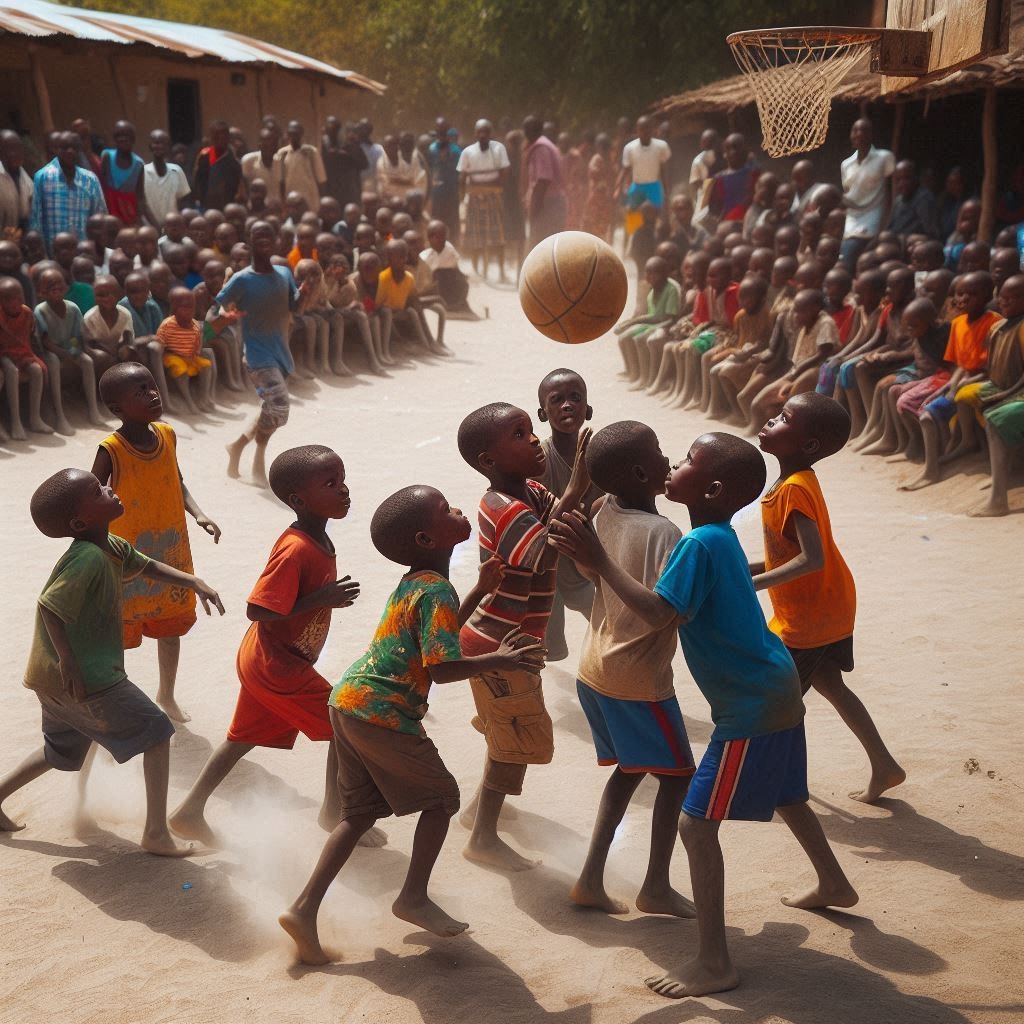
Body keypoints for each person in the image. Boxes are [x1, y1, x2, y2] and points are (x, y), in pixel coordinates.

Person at [550, 431, 857, 999]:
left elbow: (658, 612)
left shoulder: (696, 545)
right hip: (773, 684)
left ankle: (715, 962)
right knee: (787, 794)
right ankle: (834, 882)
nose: (674, 462)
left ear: (711, 488)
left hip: (751, 705)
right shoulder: (714, 538)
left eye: (687, 459)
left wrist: (597, 560)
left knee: (695, 824)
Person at [279, 484, 545, 965]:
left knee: (357, 815)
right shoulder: (435, 588)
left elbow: (434, 643)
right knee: (441, 799)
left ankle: (303, 909)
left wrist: (480, 591)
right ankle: (413, 897)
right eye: (446, 509)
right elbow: (442, 666)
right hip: (381, 712)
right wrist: (499, 659)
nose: (459, 509)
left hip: (348, 702)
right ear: (426, 539)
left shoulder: (418, 583)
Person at [0, 467, 222, 854]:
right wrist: (69, 661)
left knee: (61, 751)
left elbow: (145, 565)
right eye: (98, 491)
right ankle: (156, 833)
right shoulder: (86, 557)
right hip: (84, 677)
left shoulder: (109, 546)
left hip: (50, 678)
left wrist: (193, 581)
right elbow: (49, 606)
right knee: (156, 731)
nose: (108, 488)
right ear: (79, 521)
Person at [169, 445, 362, 848]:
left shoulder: (316, 537)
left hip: (266, 657)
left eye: (342, 480)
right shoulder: (296, 549)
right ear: (298, 500)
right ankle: (334, 812)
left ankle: (188, 812)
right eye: (331, 484)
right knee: (347, 723)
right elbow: (258, 609)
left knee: (241, 738)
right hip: (276, 663)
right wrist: (320, 599)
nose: (344, 490)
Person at [560, 421, 696, 918]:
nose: (669, 458)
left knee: (631, 769)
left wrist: (577, 491)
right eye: (662, 453)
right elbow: (662, 611)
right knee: (679, 777)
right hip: (636, 679)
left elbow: (584, 567)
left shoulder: (603, 508)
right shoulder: (664, 532)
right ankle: (656, 885)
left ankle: (591, 877)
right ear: (643, 472)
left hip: (596, 666)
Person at [457, 402, 590, 871]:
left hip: (512, 640)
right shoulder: (502, 506)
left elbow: (569, 523)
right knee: (516, 742)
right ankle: (483, 838)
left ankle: (478, 814)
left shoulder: (532, 489)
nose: (534, 440)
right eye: (519, 434)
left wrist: (581, 490)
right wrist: (575, 486)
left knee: (509, 733)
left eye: (531, 431)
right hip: (500, 646)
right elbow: (540, 548)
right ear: (488, 462)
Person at [755, 392, 906, 801]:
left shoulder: (796, 489)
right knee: (830, 685)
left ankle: (776, 780)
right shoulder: (789, 482)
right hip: (820, 606)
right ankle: (884, 765)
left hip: (812, 615)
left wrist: (755, 584)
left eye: (784, 418)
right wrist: (743, 570)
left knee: (778, 699)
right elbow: (784, 554)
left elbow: (811, 559)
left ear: (809, 446)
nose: (771, 420)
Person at [91, 362, 220, 723]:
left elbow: (176, 480)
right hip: (127, 554)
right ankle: (111, 700)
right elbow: (90, 496)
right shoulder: (111, 449)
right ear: (117, 409)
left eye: (151, 385)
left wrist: (198, 513)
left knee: (171, 624)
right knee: (118, 633)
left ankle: (167, 692)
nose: (152, 394)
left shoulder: (166, 434)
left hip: (170, 546)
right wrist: (97, 544)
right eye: (140, 392)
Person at [220, 221, 310, 488]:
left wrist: (304, 293)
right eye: (258, 235)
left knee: (270, 407)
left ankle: (237, 446)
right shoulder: (242, 279)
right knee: (280, 405)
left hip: (280, 351)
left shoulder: (284, 273)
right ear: (249, 241)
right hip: (257, 354)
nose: (264, 239)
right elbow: (220, 307)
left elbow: (295, 308)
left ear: (276, 242)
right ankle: (259, 459)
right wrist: (228, 316)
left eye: (269, 235)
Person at [900, 271, 1002, 491]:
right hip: (961, 379)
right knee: (927, 413)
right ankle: (931, 469)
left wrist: (960, 384)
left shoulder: (994, 324)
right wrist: (945, 388)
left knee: (959, 398)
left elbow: (991, 368)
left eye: (972, 294)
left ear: (987, 296)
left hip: (985, 380)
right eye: (959, 293)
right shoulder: (957, 324)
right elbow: (957, 366)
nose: (963, 299)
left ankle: (962, 448)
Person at [533, 368, 604, 662]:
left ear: (587, 409)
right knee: (544, 647)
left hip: (586, 561)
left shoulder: (600, 455)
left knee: (608, 626)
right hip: (547, 565)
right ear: (542, 413)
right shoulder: (538, 459)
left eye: (575, 398)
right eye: (557, 399)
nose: (567, 405)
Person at [35, 266, 102, 433]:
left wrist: (73, 351)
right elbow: (45, 341)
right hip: (49, 353)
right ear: (41, 292)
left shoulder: (73, 308)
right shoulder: (40, 311)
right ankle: (60, 415)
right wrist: (64, 354)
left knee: (87, 361)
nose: (56, 288)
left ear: (66, 288)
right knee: (55, 362)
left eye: (59, 284)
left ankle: (93, 409)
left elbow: (76, 336)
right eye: (50, 285)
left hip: (68, 350)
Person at [29, 132, 107, 255]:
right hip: (53, 254)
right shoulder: (43, 177)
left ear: (80, 150)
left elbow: (100, 217)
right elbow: (36, 221)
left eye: (74, 148)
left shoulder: (90, 180)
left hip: (84, 254)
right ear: (57, 149)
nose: (70, 151)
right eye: (64, 148)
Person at [457, 120, 510, 282]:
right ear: (475, 134)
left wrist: (497, 187)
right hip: (474, 195)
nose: (483, 135)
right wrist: (462, 198)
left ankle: (501, 271)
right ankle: (476, 270)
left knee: (498, 233)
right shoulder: (468, 152)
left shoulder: (499, 149)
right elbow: (462, 175)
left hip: (494, 195)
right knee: (475, 233)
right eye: (480, 132)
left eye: (486, 132)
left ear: (490, 133)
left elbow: (505, 170)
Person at [839, 119, 895, 270]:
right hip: (851, 221)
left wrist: (883, 227)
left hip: (874, 219)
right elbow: (848, 196)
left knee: (849, 259)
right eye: (855, 130)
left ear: (871, 135)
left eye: (863, 130)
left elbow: (891, 194)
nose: (858, 134)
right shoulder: (846, 164)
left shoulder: (884, 158)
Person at [0, 277, 51, 438]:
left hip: (22, 352)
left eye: (18, 297)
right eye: (8, 299)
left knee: (36, 369)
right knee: (11, 370)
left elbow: (30, 339)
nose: (14, 302)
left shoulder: (27, 313)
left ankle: (35, 418)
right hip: (4, 354)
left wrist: (34, 357)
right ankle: (16, 421)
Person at [155, 286, 215, 414]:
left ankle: (203, 398)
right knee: (180, 369)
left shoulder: (195, 325)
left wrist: (195, 354)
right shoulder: (167, 325)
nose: (189, 311)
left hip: (189, 356)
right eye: (184, 307)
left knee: (206, 365)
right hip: (172, 355)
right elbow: (160, 345)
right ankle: (189, 401)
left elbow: (197, 344)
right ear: (174, 309)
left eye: (192, 307)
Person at [617, 116, 671, 237]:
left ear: (653, 130)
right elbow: (625, 169)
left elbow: (663, 169)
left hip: (654, 186)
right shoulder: (630, 148)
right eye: (642, 129)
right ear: (637, 130)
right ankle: (628, 246)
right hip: (637, 186)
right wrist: (618, 188)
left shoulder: (661, 146)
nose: (645, 131)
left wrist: (666, 189)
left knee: (656, 217)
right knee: (632, 217)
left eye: (647, 128)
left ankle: (653, 243)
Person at [99, 121, 156, 228]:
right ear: (114, 139)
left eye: (127, 135)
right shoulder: (107, 157)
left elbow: (140, 198)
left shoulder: (139, 164)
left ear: (133, 139)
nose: (123, 139)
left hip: (129, 215)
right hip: (109, 214)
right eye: (118, 135)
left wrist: (154, 225)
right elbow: (101, 189)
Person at [522, 115, 567, 247]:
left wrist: (534, 209)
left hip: (547, 204)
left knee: (541, 246)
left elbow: (543, 180)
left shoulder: (541, 149)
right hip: (552, 203)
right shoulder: (547, 145)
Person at [193, 121, 242, 213]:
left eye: (223, 137)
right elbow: (198, 182)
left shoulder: (233, 162)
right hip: (206, 207)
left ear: (228, 138)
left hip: (228, 207)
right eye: (216, 137)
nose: (220, 140)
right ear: (211, 138)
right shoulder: (204, 156)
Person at [277, 121, 326, 211]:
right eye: (291, 133)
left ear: (301, 134)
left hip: (311, 201)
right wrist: (283, 203)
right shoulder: (282, 153)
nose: (294, 136)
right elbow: (281, 181)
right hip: (291, 201)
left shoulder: (312, 152)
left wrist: (321, 202)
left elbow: (321, 180)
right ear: (287, 134)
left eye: (296, 133)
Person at [427, 121, 462, 244]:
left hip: (452, 192)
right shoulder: (432, 149)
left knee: (453, 221)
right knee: (437, 220)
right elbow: (429, 171)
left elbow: (460, 173)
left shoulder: (456, 151)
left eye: (444, 131)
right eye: (439, 131)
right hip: (437, 194)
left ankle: (454, 246)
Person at [0, 129, 34, 236]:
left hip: (20, 239)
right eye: (10, 149)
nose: (16, 153)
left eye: (18, 148)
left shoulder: (25, 178)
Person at [242, 127, 285, 203]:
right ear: (259, 144)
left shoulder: (281, 162)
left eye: (271, 144)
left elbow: (282, 188)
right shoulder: (248, 161)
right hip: (256, 208)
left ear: (276, 146)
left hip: (276, 208)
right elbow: (244, 189)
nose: (269, 147)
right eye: (265, 145)